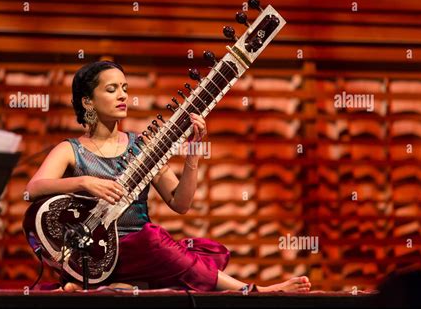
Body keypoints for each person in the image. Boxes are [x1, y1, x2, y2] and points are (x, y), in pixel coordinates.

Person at [25, 61, 311, 293]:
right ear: (87, 101)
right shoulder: (70, 150)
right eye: (112, 89)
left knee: (194, 249)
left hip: (141, 249)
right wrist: (84, 182)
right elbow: (34, 189)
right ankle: (253, 291)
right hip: (93, 253)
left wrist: (193, 153)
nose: (123, 95)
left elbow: (180, 203)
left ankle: (120, 284)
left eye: (125, 88)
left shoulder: (142, 148)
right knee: (155, 240)